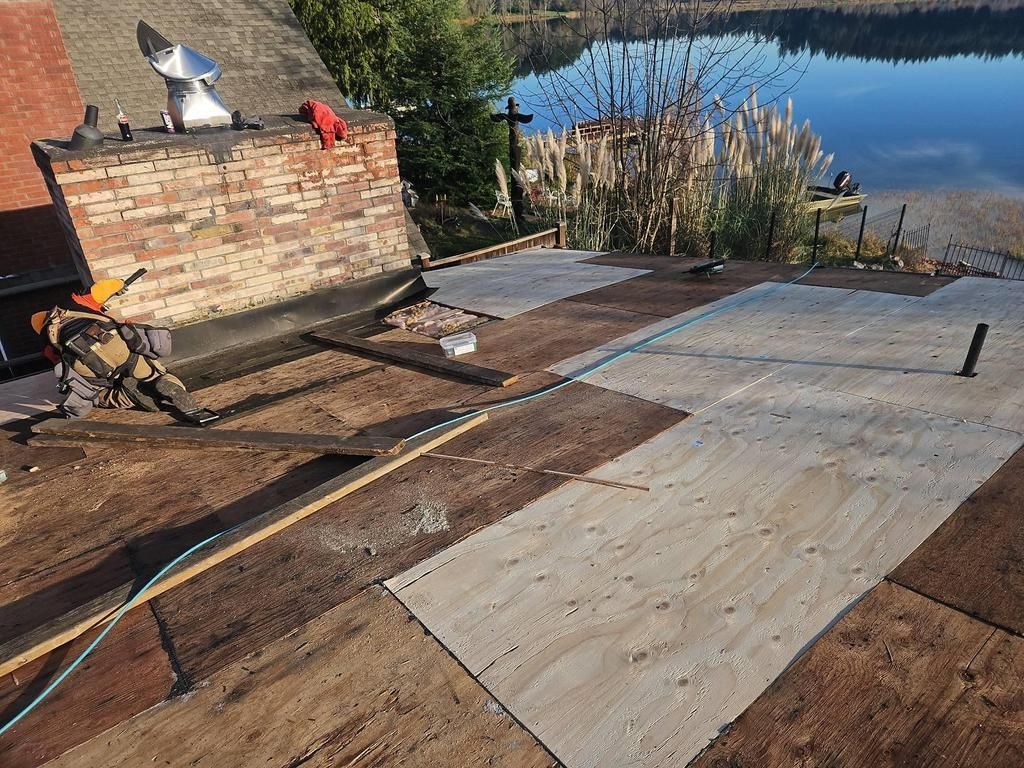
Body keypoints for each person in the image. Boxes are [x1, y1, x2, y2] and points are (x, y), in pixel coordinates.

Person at [31, 278, 204, 420]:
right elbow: (105, 286)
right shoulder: (76, 301)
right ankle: (167, 385)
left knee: (99, 396)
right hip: (114, 344)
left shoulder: (45, 339)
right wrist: (120, 284)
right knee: (155, 373)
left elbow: (61, 365)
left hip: (85, 362)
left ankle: (127, 395)